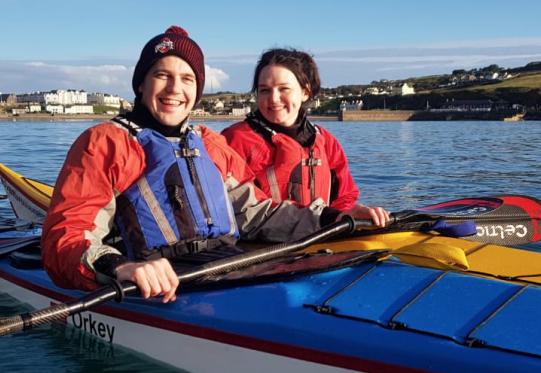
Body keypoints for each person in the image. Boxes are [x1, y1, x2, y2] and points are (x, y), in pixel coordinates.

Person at [42, 27, 346, 302]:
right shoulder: (107, 143)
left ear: (196, 91)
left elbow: (255, 213)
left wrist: (329, 218)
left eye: (187, 79)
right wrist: (119, 266)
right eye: (162, 75)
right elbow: (67, 234)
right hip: (159, 283)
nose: (175, 89)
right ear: (141, 85)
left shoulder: (210, 144)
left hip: (228, 263)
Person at [222, 48, 390, 227]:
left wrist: (347, 215)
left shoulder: (326, 141)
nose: (274, 99)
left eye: (284, 89)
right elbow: (247, 209)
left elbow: (344, 197)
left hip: (322, 237)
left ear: (305, 92)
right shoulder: (234, 140)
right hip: (263, 245)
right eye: (265, 90)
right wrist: (328, 218)